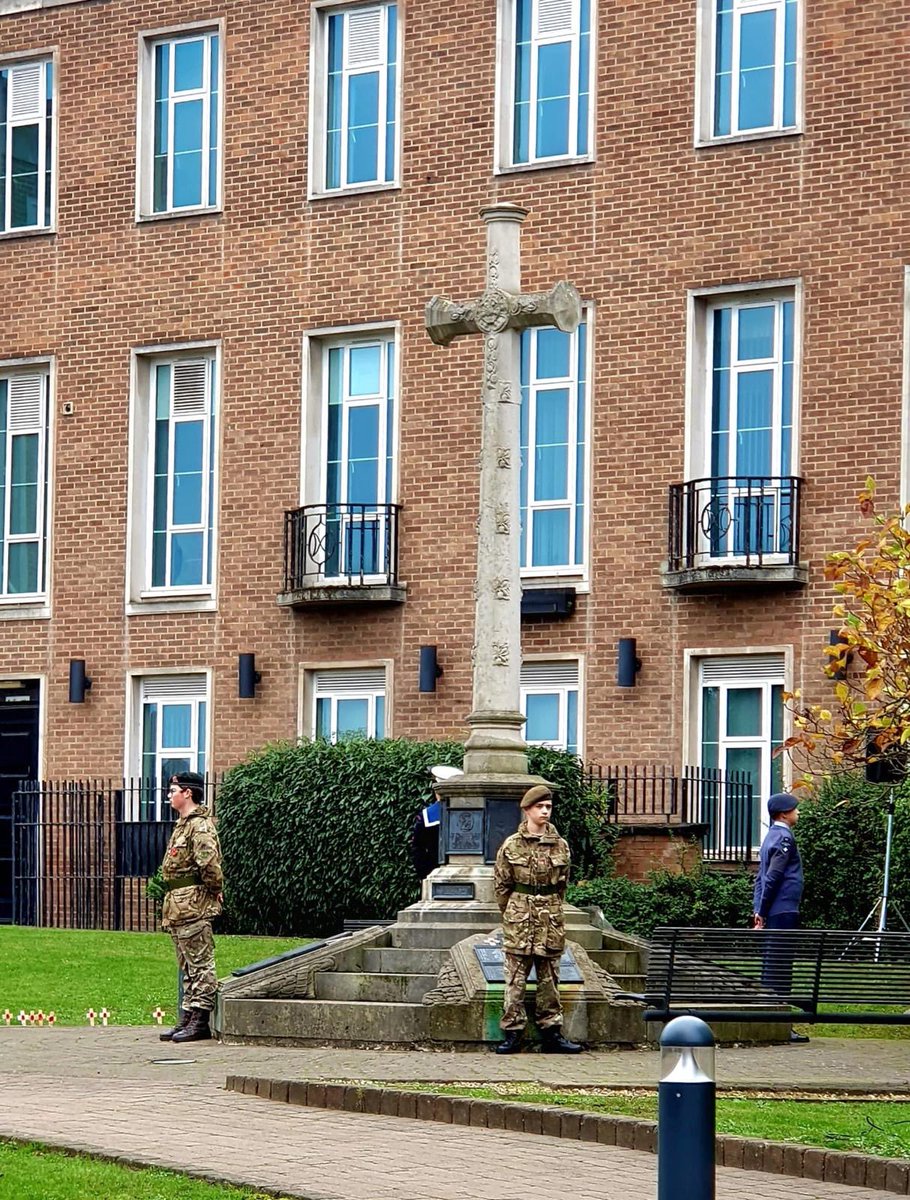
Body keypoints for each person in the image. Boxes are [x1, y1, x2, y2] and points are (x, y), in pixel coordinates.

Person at [492, 784, 582, 1054]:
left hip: (550, 919)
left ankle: (552, 1033)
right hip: (520, 918)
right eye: (539, 807)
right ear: (527, 810)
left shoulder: (560, 845)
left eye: (548, 807)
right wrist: (514, 913)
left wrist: (552, 907)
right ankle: (512, 1033)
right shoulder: (511, 845)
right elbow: (501, 885)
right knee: (515, 979)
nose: (545, 811)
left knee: (550, 979)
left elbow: (563, 883)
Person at [158, 771, 223, 1044]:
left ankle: (200, 1018)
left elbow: (209, 864)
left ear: (188, 792)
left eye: (174, 790)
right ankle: (187, 1014)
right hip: (178, 904)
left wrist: (215, 890)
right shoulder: (182, 825)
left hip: (193, 903)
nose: (169, 795)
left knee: (200, 964)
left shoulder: (200, 826)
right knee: (186, 964)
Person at [753, 791, 808, 1044]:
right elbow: (773, 878)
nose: (798, 812)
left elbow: (760, 878)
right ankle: (781, 1025)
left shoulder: (769, 837)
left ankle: (770, 1020)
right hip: (783, 909)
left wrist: (758, 911)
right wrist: (763, 911)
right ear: (784, 813)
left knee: (772, 965)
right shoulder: (785, 838)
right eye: (795, 809)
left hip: (770, 909)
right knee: (780, 967)